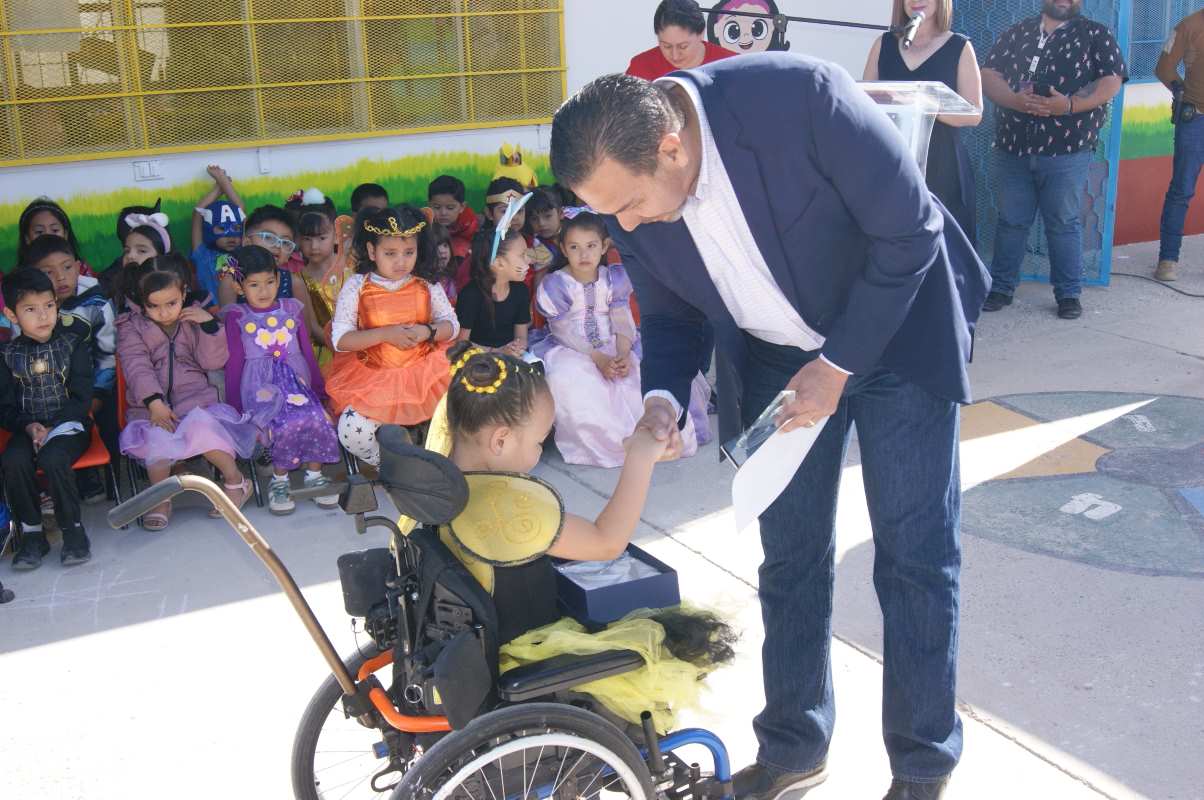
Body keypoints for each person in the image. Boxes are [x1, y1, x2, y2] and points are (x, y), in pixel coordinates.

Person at [550, 59, 990, 799]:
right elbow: (666, 314)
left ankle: (922, 765)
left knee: (916, 559)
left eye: (629, 204)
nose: (625, 226)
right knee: (789, 559)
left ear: (670, 145)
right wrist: (661, 394)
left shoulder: (798, 99)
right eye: (608, 213)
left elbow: (912, 231)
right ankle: (794, 745)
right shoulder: (637, 198)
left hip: (894, 342)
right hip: (772, 362)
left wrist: (839, 363)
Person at [443, 342, 735, 731]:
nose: (537, 455)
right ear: (499, 441)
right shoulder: (507, 506)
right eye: (537, 443)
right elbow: (606, 542)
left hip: (473, 634)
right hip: (524, 653)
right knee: (677, 637)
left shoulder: (442, 479)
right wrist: (640, 458)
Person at [980, 0, 1127, 320]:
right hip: (1013, 147)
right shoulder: (1016, 32)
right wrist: (1014, 100)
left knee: (1063, 223)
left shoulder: (1095, 34)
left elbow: (1112, 80)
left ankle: (1069, 294)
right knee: (1011, 221)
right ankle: (1002, 287)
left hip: (1067, 151)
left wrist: (1071, 105)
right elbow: (989, 73)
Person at [535, 210, 708, 468]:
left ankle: (653, 438)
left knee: (642, 372)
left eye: (591, 246)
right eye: (574, 247)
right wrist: (598, 357)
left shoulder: (613, 279)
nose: (584, 255)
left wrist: (623, 352)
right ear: (563, 248)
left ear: (604, 245)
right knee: (571, 378)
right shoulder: (556, 284)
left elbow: (622, 319)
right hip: (574, 347)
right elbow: (562, 331)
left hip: (614, 342)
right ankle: (606, 447)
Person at [117, 254, 258, 530]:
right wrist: (154, 402)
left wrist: (207, 326)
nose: (164, 312)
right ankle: (161, 498)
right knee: (157, 438)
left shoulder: (194, 320)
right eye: (154, 306)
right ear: (142, 301)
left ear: (183, 293)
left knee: (201, 429)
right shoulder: (131, 327)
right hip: (151, 407)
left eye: (171, 303)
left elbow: (213, 362)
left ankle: (236, 482)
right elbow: (136, 366)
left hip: (196, 401)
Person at [325, 206, 457, 466]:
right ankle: (393, 467)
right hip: (373, 376)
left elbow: (451, 324)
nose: (401, 261)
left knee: (462, 413)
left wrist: (427, 331)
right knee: (352, 431)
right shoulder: (357, 285)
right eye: (390, 253)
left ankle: (436, 465)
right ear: (372, 252)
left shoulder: (426, 283)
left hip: (426, 373)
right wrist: (385, 334)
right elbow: (340, 340)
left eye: (409, 252)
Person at [221, 246, 341, 515]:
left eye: (270, 282)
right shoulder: (237, 317)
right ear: (239, 287)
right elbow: (235, 363)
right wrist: (234, 405)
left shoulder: (292, 308)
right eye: (254, 284)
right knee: (281, 424)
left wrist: (319, 390)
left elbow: (307, 351)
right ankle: (280, 481)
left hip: (298, 384)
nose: (263, 291)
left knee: (315, 416)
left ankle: (314, 475)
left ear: (279, 279)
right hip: (260, 389)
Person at [864, 0, 982, 244]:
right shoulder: (883, 44)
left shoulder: (960, 47)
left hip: (943, 167)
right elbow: (864, 105)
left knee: (943, 249)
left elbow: (974, 113)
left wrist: (924, 106)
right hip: (891, 164)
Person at [0, 269, 95, 569]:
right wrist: (28, 426)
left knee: (54, 458)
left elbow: (81, 397)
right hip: (28, 429)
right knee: (13, 460)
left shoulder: (73, 344)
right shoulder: (6, 355)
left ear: (57, 304)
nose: (43, 316)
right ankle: (32, 534)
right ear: (11, 315)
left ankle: (73, 532)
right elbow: (5, 407)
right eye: (30, 309)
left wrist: (54, 427)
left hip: (69, 427)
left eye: (49, 306)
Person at [26, 235, 119, 503]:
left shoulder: (97, 302)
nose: (61, 277)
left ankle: (105, 478)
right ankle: (64, 479)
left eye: (67, 267)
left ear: (79, 266)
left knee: (109, 414)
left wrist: (99, 395)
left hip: (94, 384)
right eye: (48, 272)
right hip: (49, 387)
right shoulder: (31, 306)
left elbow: (107, 354)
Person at [1153, 8, 1204, 282]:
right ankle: (1168, 259)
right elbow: (1163, 68)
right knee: (1182, 189)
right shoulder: (1189, 25)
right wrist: (1184, 93)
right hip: (1196, 118)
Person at [455, 226, 530, 355]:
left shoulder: (521, 291)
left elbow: (521, 336)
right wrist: (497, 351)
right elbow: (461, 344)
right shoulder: (470, 295)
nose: (528, 260)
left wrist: (517, 347)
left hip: (511, 357)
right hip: (477, 359)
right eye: (522, 255)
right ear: (499, 263)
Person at [289, 189, 343, 363]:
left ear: (336, 237)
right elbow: (311, 325)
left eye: (321, 238)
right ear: (298, 240)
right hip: (325, 353)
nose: (314, 246)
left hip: (361, 346)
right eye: (307, 239)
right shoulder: (299, 279)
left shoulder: (353, 269)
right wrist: (341, 349)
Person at [626, 0, 735, 81]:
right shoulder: (641, 67)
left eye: (683, 46)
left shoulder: (731, 65)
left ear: (701, 33)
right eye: (666, 46)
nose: (675, 56)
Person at [191, 164, 247, 305]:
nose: (231, 236)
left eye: (235, 228)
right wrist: (219, 187)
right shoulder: (202, 253)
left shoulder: (245, 251)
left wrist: (223, 181)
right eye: (222, 229)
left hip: (240, 314)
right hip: (213, 315)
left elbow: (241, 210)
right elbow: (198, 213)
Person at [14, 198, 95, 276]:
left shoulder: (82, 270)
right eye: (39, 232)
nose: (48, 236)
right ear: (27, 239)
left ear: (65, 235)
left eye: (55, 230)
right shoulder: (19, 277)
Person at [426, 174, 480, 272]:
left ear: (462, 207)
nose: (443, 213)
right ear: (429, 205)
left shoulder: (470, 225)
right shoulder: (425, 224)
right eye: (437, 207)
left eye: (450, 208)